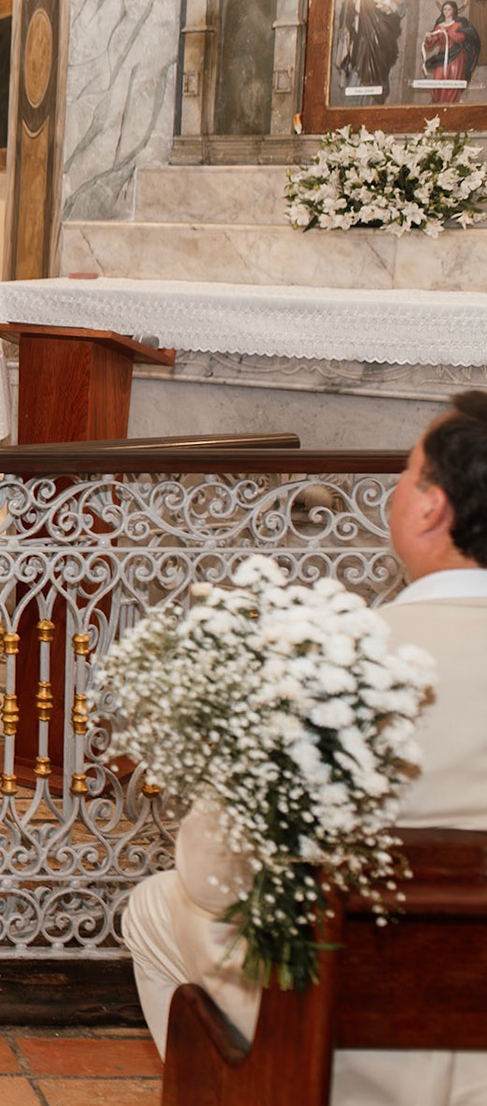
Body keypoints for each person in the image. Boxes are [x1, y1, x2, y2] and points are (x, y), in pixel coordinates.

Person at [124, 392, 487, 1103]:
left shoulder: (330, 662)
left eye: (409, 474)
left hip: (346, 1016)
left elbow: (211, 873)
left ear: (430, 509)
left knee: (156, 906)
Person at [422, 0, 480, 104]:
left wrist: (449, 32)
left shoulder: (458, 24)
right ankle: (437, 102)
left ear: (453, 11)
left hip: (456, 56)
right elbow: (432, 42)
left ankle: (451, 103)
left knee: (452, 79)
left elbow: (461, 38)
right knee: (438, 78)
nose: (446, 12)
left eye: (449, 9)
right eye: (444, 9)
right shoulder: (439, 26)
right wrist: (429, 37)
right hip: (443, 55)